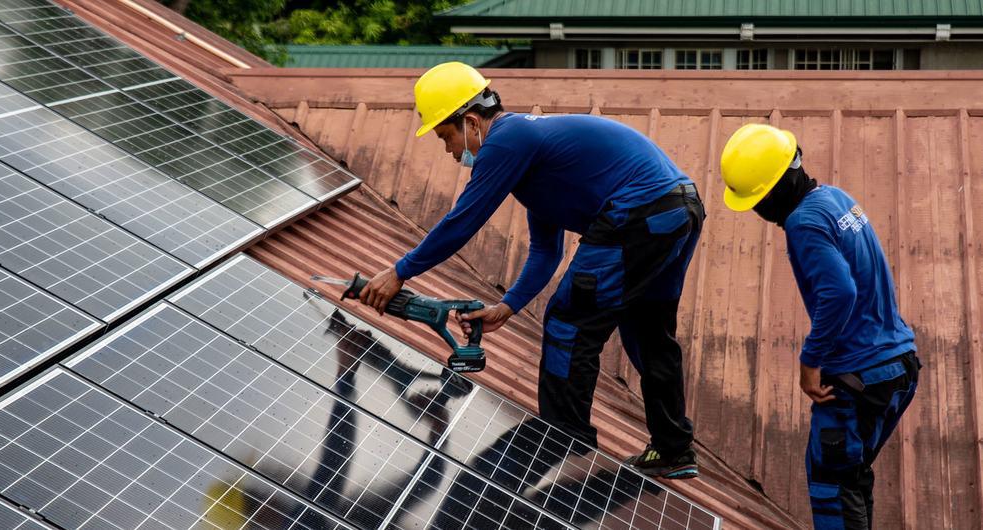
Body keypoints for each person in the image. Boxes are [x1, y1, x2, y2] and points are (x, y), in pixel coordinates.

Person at [359, 62, 705, 479]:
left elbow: (463, 221)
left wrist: (400, 271)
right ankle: (674, 450)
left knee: (568, 322)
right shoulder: (534, 154)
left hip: (643, 210)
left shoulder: (508, 140)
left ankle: (565, 441)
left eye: (446, 136)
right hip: (677, 209)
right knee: (648, 333)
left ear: (470, 122)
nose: (450, 151)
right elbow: (545, 251)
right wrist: (507, 307)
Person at [719, 124, 920, 529]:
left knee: (833, 486)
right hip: (896, 364)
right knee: (852, 477)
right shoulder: (836, 198)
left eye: (758, 201)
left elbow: (840, 293)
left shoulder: (803, 223)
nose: (759, 211)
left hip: (858, 376)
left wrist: (810, 361)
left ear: (775, 190)